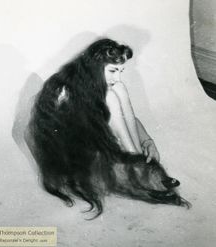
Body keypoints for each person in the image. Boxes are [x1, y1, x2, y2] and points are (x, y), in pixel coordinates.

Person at [26, 38, 189, 219]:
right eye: (112, 70)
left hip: (83, 143)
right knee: (111, 96)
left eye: (120, 70)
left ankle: (137, 161)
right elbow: (48, 137)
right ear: (95, 66)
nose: (117, 77)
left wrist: (147, 140)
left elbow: (125, 119)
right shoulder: (65, 90)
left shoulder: (96, 84)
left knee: (119, 89)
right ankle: (137, 165)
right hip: (63, 159)